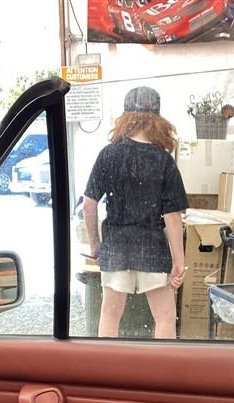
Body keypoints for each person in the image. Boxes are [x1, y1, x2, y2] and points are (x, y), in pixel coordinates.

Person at [83, 86, 189, 339]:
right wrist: (179, 261)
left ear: (125, 117)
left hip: (116, 246)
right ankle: (162, 365)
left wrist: (96, 245)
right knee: (164, 317)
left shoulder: (108, 155)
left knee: (110, 315)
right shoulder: (163, 160)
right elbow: (172, 217)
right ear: (158, 120)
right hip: (152, 247)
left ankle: (107, 364)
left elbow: (88, 204)